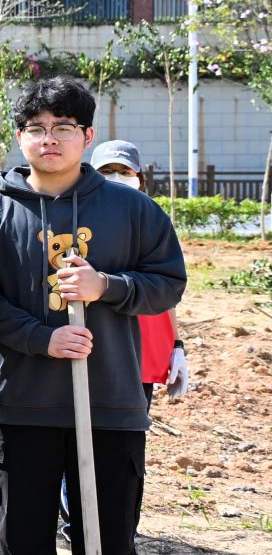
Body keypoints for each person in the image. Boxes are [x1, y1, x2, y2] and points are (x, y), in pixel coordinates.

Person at [0, 80, 187, 555]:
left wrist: (106, 287)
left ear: (87, 136)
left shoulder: (130, 209)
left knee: (109, 535)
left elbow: (167, 282)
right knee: (23, 531)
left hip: (110, 398)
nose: (50, 139)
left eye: (63, 127)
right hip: (21, 398)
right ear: (20, 137)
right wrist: (43, 339)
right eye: (37, 128)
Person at [92, 141, 192, 405]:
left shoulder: (153, 221)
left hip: (144, 338)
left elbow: (165, 289)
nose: (116, 178)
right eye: (106, 171)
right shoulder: (80, 219)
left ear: (139, 178)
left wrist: (177, 345)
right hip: (96, 339)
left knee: (134, 416)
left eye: (125, 172)